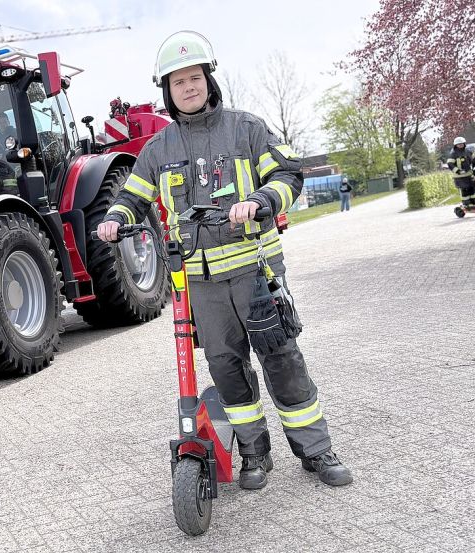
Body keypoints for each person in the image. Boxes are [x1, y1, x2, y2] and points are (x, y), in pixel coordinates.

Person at [97, 31, 352, 488]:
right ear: (167, 90)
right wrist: (115, 218)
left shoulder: (246, 129)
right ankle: (254, 454)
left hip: (255, 272)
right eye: (178, 82)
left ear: (209, 80)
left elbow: (288, 175)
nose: (188, 87)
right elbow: (131, 198)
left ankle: (316, 450)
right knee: (226, 367)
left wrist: (260, 200)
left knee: (282, 359)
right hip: (201, 283)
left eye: (195, 78)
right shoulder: (157, 150)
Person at [446, 137, 475, 209]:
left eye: (461, 144)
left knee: (472, 188)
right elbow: (450, 164)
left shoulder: (468, 151)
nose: (460, 145)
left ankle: (473, 203)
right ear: (455, 145)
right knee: (464, 189)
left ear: (464, 144)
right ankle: (466, 204)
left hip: (469, 174)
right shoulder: (453, 154)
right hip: (459, 176)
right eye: (458, 144)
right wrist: (458, 171)